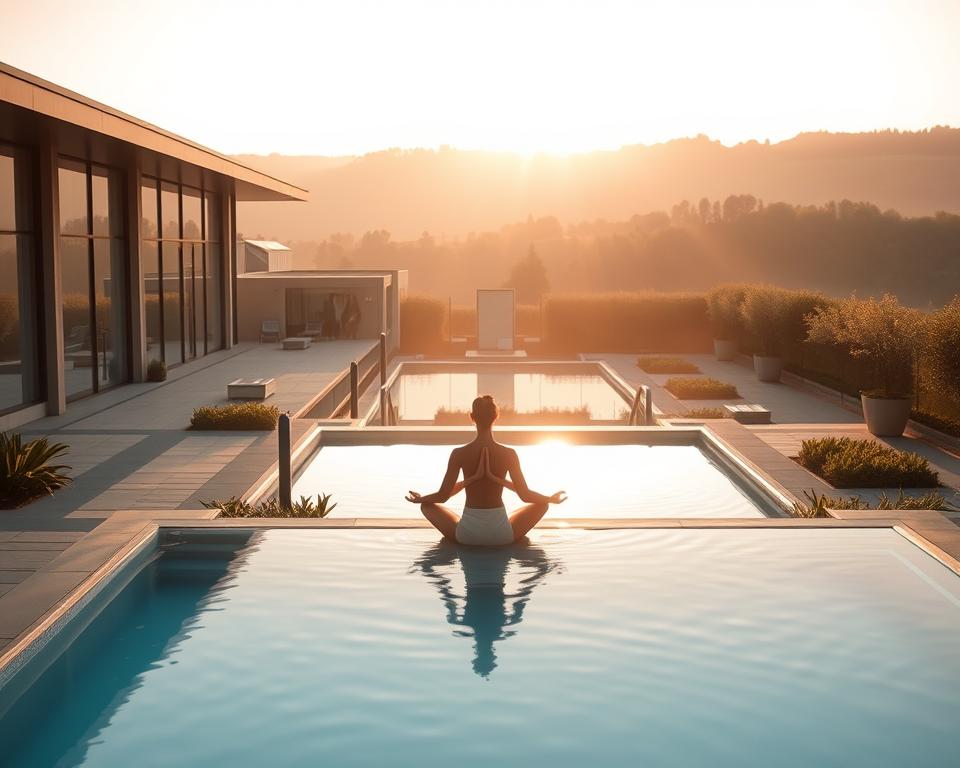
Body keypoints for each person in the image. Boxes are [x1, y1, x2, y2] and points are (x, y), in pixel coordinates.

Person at [405, 395, 566, 545]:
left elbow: (443, 496)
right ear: (496, 416)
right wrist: (549, 499)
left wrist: (420, 499)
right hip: (502, 536)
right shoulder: (509, 454)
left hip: (467, 536)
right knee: (542, 505)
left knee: (426, 506)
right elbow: (525, 495)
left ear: (471, 417)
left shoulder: (459, 453)